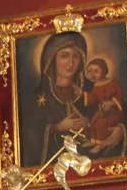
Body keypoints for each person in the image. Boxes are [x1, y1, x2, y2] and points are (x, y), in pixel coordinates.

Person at [21, 31, 100, 167]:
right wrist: (57, 128)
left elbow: (114, 114)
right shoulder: (38, 99)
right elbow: (29, 135)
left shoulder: (90, 92)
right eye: (64, 56)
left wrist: (92, 124)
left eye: (75, 56)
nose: (71, 63)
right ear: (52, 59)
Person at [81, 57, 126, 156]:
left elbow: (119, 95)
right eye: (90, 71)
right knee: (92, 122)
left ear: (104, 71)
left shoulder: (112, 82)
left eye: (96, 71)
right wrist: (82, 94)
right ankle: (94, 141)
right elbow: (93, 97)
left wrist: (111, 103)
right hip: (102, 111)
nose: (92, 74)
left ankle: (101, 144)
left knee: (101, 124)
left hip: (113, 112)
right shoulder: (96, 85)